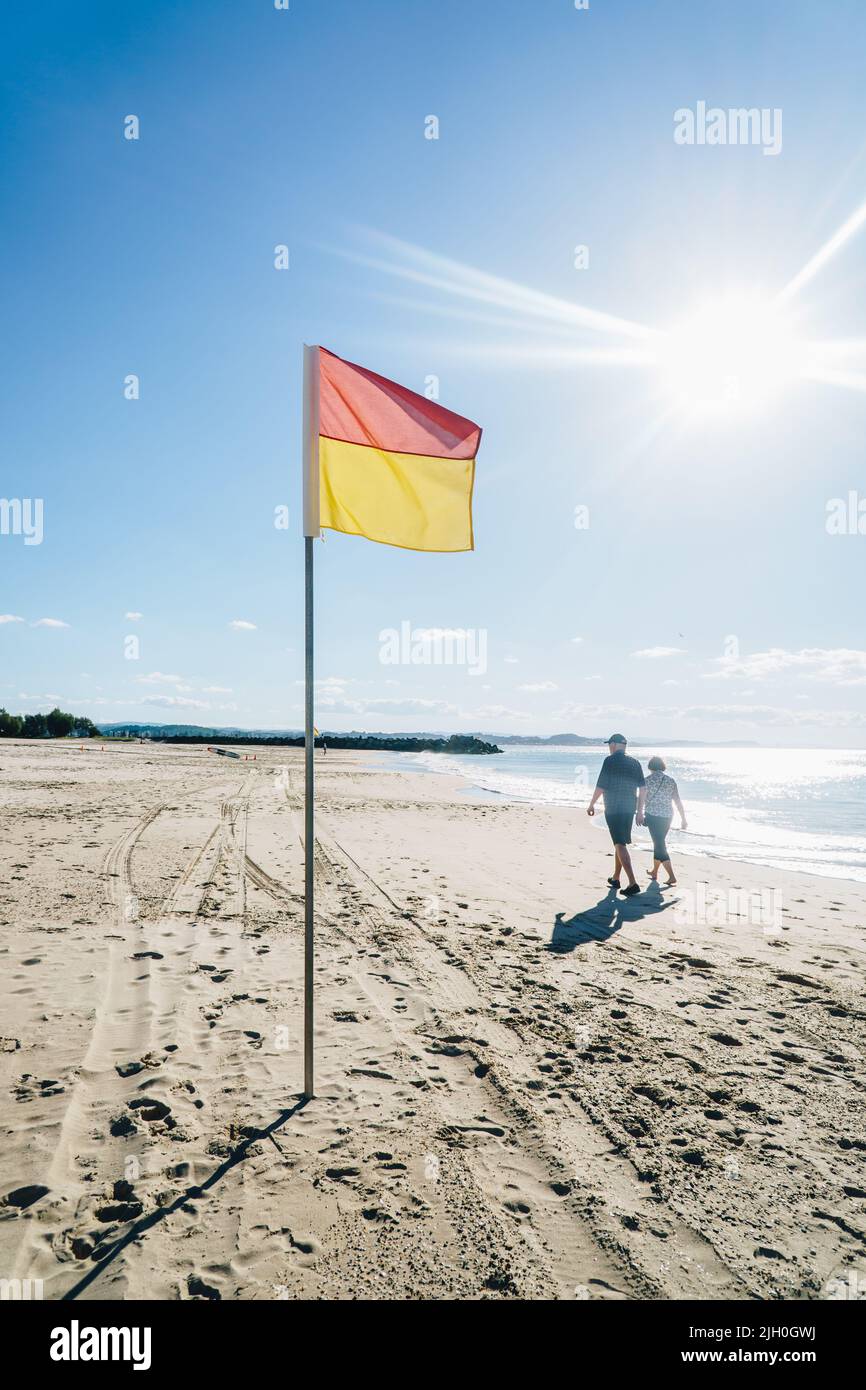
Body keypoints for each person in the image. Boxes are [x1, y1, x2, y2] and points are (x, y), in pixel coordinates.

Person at [586, 734, 646, 897]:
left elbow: (601, 786)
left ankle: (633, 883)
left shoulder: (610, 761)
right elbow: (643, 789)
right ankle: (616, 878)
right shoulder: (635, 763)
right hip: (629, 808)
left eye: (609, 744)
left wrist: (591, 804)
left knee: (620, 843)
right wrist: (640, 811)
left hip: (613, 808)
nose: (609, 747)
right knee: (619, 843)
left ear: (614, 744)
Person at [643, 755, 687, 886]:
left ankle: (672, 876)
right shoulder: (671, 781)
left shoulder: (647, 780)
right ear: (662, 766)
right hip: (668, 816)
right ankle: (654, 872)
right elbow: (677, 801)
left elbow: (641, 800)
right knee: (659, 842)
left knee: (659, 844)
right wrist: (683, 819)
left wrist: (638, 812)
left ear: (650, 766)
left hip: (652, 816)